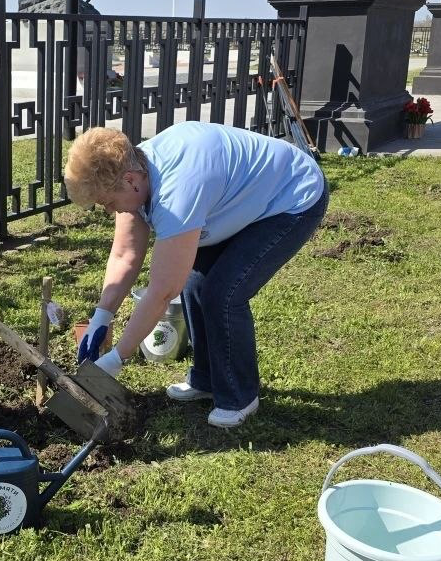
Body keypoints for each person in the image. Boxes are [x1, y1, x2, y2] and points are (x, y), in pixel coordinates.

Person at [65, 122, 327, 428]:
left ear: (130, 180)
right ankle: (207, 379)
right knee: (193, 283)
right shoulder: (136, 173)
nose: (110, 211)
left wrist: (116, 359)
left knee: (223, 293)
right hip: (237, 200)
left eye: (108, 202)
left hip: (290, 198)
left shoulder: (178, 192)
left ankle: (240, 397)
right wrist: (101, 316)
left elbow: (162, 291)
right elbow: (126, 255)